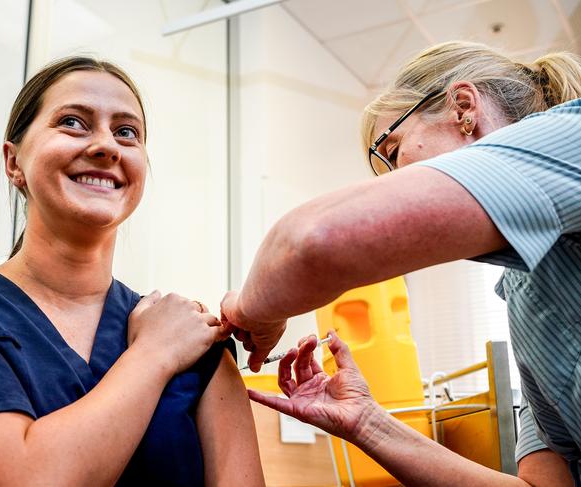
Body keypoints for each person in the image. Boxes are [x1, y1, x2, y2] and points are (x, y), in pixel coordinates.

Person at [221, 40, 581, 486]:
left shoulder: (572, 138)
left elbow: (310, 241)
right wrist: (366, 422)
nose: (397, 181)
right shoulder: (530, 290)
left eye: (392, 151)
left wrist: (246, 312)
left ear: (464, 108)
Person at [0, 56, 265, 487]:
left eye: (126, 132)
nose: (107, 146)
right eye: (73, 122)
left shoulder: (196, 340)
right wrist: (154, 353)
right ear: (14, 162)